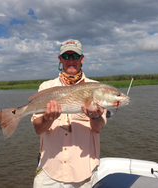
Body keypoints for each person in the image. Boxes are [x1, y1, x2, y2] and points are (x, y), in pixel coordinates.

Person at [31, 39, 107, 188]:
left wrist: (95, 116)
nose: (71, 60)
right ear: (60, 60)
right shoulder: (46, 87)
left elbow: (98, 128)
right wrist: (47, 118)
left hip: (83, 172)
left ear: (82, 59)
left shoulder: (96, 88)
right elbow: (38, 129)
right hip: (49, 170)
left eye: (75, 56)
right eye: (66, 57)